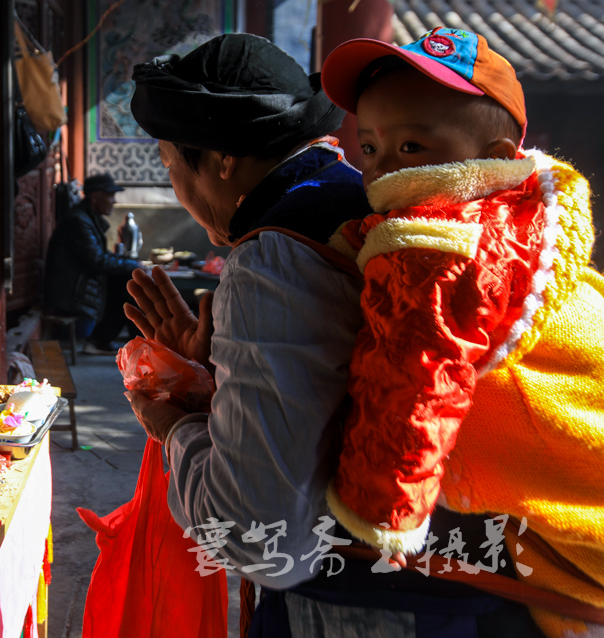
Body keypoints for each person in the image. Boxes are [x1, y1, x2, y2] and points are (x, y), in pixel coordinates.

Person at [123, 33, 545, 636]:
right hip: (489, 588)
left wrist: (175, 429)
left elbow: (258, 536)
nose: (176, 190)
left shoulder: (272, 261)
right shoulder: (369, 209)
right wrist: (224, 383)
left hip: (381, 607)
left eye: (170, 164)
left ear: (221, 159)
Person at [319, 27, 604, 638]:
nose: (382, 165)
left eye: (412, 145)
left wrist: (380, 517)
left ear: (493, 155)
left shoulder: (435, 245)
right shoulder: (521, 213)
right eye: (368, 146)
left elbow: (414, 383)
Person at [44, 172, 141, 354]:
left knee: (128, 279)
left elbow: (99, 256)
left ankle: (105, 340)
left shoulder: (86, 219)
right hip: (70, 295)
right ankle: (117, 342)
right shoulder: (79, 222)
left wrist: (131, 263)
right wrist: (134, 266)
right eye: (110, 196)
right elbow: (97, 261)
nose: (114, 201)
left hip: (79, 287)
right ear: (95, 197)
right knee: (129, 282)